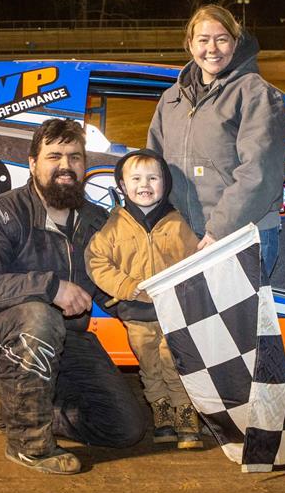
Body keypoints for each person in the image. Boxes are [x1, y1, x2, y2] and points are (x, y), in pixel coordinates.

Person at [0, 118, 146, 475]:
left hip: (65, 339)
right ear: (32, 163)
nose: (65, 166)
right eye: (54, 156)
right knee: (38, 315)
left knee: (125, 428)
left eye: (75, 157)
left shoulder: (96, 221)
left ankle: (20, 407)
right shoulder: (0, 215)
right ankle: (30, 444)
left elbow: (109, 286)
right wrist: (50, 287)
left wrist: (152, 304)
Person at [147, 4, 285, 280]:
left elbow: (260, 172)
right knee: (190, 323)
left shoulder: (256, 93)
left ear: (235, 43)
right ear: (190, 44)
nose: (212, 49)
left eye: (221, 39)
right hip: (187, 236)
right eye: (203, 40)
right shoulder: (171, 99)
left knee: (239, 325)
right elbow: (154, 165)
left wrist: (218, 231)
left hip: (240, 235)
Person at [85, 149, 203, 449]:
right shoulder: (113, 226)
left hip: (174, 311)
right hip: (136, 313)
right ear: (123, 186)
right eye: (135, 178)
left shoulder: (178, 224)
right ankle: (161, 412)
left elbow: (195, 262)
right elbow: (97, 263)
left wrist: (185, 288)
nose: (144, 184)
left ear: (165, 184)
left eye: (153, 177)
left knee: (175, 362)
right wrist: (128, 287)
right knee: (150, 365)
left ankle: (185, 413)